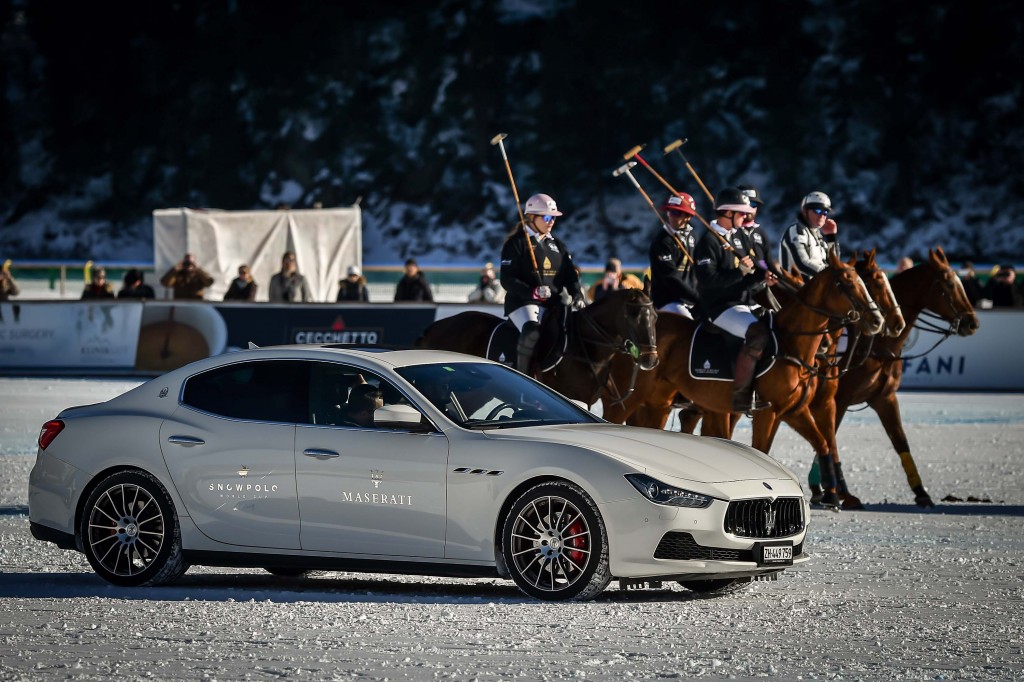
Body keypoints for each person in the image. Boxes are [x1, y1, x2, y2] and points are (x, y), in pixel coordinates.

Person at [695, 188, 778, 413]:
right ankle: (742, 396)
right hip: (719, 307)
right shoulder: (708, 241)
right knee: (758, 334)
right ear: (728, 213)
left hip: (744, 302)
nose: (746, 217)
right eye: (741, 213)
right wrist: (739, 273)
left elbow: (754, 267)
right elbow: (707, 280)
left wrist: (765, 276)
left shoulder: (739, 236)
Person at [500, 192, 584, 374]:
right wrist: (532, 292)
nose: (551, 221)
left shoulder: (558, 245)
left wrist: (577, 294)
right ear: (531, 218)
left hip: (553, 304)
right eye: (546, 217)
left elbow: (571, 276)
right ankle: (525, 378)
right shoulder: (517, 243)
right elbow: (507, 279)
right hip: (523, 303)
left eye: (553, 218)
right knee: (532, 332)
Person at [648, 193, 700, 318]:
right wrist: (697, 297)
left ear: (688, 216)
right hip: (668, 301)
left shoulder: (693, 237)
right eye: (670, 212)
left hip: (691, 300)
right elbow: (671, 278)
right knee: (689, 326)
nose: (672, 217)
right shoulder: (662, 241)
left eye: (677, 213)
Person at [778, 191, 840, 277]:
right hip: (796, 288)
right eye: (817, 210)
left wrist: (831, 237)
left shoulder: (818, 236)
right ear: (805, 211)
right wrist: (831, 274)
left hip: (818, 287)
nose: (822, 215)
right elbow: (802, 264)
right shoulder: (796, 231)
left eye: (825, 212)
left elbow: (834, 263)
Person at [737, 185, 777, 274]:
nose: (749, 208)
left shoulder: (761, 233)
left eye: (753, 204)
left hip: (761, 284)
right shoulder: (729, 232)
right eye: (745, 204)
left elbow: (769, 263)